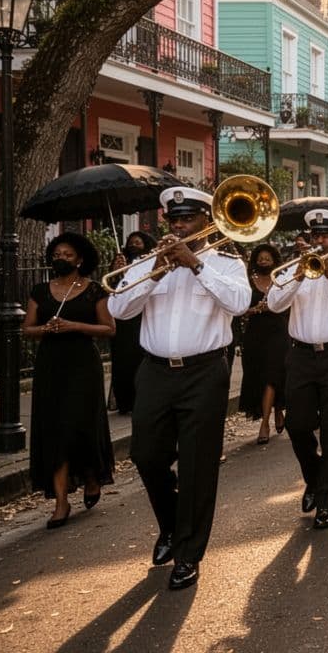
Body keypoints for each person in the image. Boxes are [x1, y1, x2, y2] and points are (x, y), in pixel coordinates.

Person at [108, 187, 251, 590]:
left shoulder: (225, 262)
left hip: (205, 371)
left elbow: (240, 303)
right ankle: (171, 525)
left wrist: (195, 267)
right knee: (146, 455)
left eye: (187, 219)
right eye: (174, 220)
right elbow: (119, 309)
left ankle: (188, 553)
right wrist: (154, 272)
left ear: (207, 221)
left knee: (196, 464)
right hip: (154, 371)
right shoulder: (148, 263)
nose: (179, 226)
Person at [265, 209, 328, 530]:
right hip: (300, 356)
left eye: (325, 236)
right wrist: (298, 275)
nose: (319, 242)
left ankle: (327, 502)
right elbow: (274, 304)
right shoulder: (295, 269)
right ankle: (314, 478)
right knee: (297, 425)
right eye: (315, 236)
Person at [25, 232, 115, 529]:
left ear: (80, 259)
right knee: (54, 431)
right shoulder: (40, 290)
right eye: (57, 254)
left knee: (80, 426)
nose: (60, 258)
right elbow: (27, 330)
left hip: (82, 366)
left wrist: (74, 325)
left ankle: (91, 477)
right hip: (51, 366)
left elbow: (109, 329)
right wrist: (47, 329)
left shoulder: (93, 291)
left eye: (67, 254)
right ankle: (61, 501)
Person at [239, 244, 289, 444]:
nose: (263, 261)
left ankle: (265, 424)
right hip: (255, 335)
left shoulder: (281, 279)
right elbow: (239, 308)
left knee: (272, 375)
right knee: (259, 375)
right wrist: (253, 310)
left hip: (278, 332)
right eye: (260, 259)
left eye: (267, 258)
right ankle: (277, 410)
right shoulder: (248, 281)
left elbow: (289, 303)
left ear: (274, 260)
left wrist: (272, 307)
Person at [108, 230, 155, 414]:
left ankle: (140, 399)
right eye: (131, 242)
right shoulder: (119, 264)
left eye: (138, 242)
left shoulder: (149, 263)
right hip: (122, 324)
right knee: (122, 362)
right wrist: (116, 273)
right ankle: (124, 401)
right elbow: (111, 294)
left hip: (141, 320)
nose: (133, 245)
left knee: (139, 361)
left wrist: (133, 273)